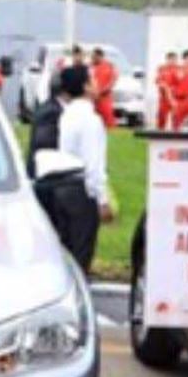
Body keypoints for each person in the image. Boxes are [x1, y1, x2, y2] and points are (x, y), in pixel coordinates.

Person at [50, 66, 113, 274]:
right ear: (86, 87)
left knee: (67, 249)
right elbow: (93, 163)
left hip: (62, 185)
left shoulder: (66, 115)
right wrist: (102, 199)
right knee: (82, 252)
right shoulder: (91, 120)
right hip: (82, 189)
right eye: (93, 80)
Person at [88, 47, 117, 128]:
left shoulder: (109, 66)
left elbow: (112, 82)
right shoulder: (89, 67)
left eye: (94, 57)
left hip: (104, 98)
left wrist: (101, 91)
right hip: (92, 99)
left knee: (107, 119)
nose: (92, 59)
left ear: (100, 56)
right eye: (92, 57)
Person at [154, 52, 180, 128]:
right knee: (161, 117)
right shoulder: (162, 68)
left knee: (176, 118)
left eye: (174, 59)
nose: (173, 61)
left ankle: (176, 134)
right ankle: (159, 133)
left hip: (175, 97)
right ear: (167, 59)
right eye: (171, 59)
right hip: (164, 98)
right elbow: (159, 81)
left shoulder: (179, 69)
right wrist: (165, 86)